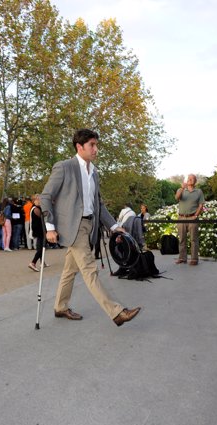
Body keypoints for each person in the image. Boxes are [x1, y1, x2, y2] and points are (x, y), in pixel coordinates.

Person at [41, 128, 141, 327]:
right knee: (89, 269)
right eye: (92, 145)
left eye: (96, 145)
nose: (96, 149)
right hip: (73, 227)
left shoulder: (94, 172)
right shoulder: (64, 167)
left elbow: (99, 204)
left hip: (89, 226)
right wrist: (49, 226)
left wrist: (114, 226)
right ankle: (116, 312)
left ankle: (60, 307)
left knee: (70, 270)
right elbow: (45, 197)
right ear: (80, 147)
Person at [175, 174, 204, 265]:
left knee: (194, 239)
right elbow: (177, 198)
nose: (189, 180)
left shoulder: (199, 191)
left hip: (192, 218)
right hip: (181, 217)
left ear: (195, 181)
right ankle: (182, 258)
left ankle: (194, 259)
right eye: (188, 178)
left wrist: (196, 215)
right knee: (182, 239)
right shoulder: (181, 190)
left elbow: (201, 205)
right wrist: (182, 189)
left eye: (192, 179)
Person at [28, 194, 49, 271]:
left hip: (40, 230)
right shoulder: (35, 209)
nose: (40, 200)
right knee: (41, 247)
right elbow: (43, 216)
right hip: (39, 230)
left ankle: (42, 262)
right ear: (34, 200)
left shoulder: (37, 208)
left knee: (41, 246)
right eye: (38, 199)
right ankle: (33, 262)